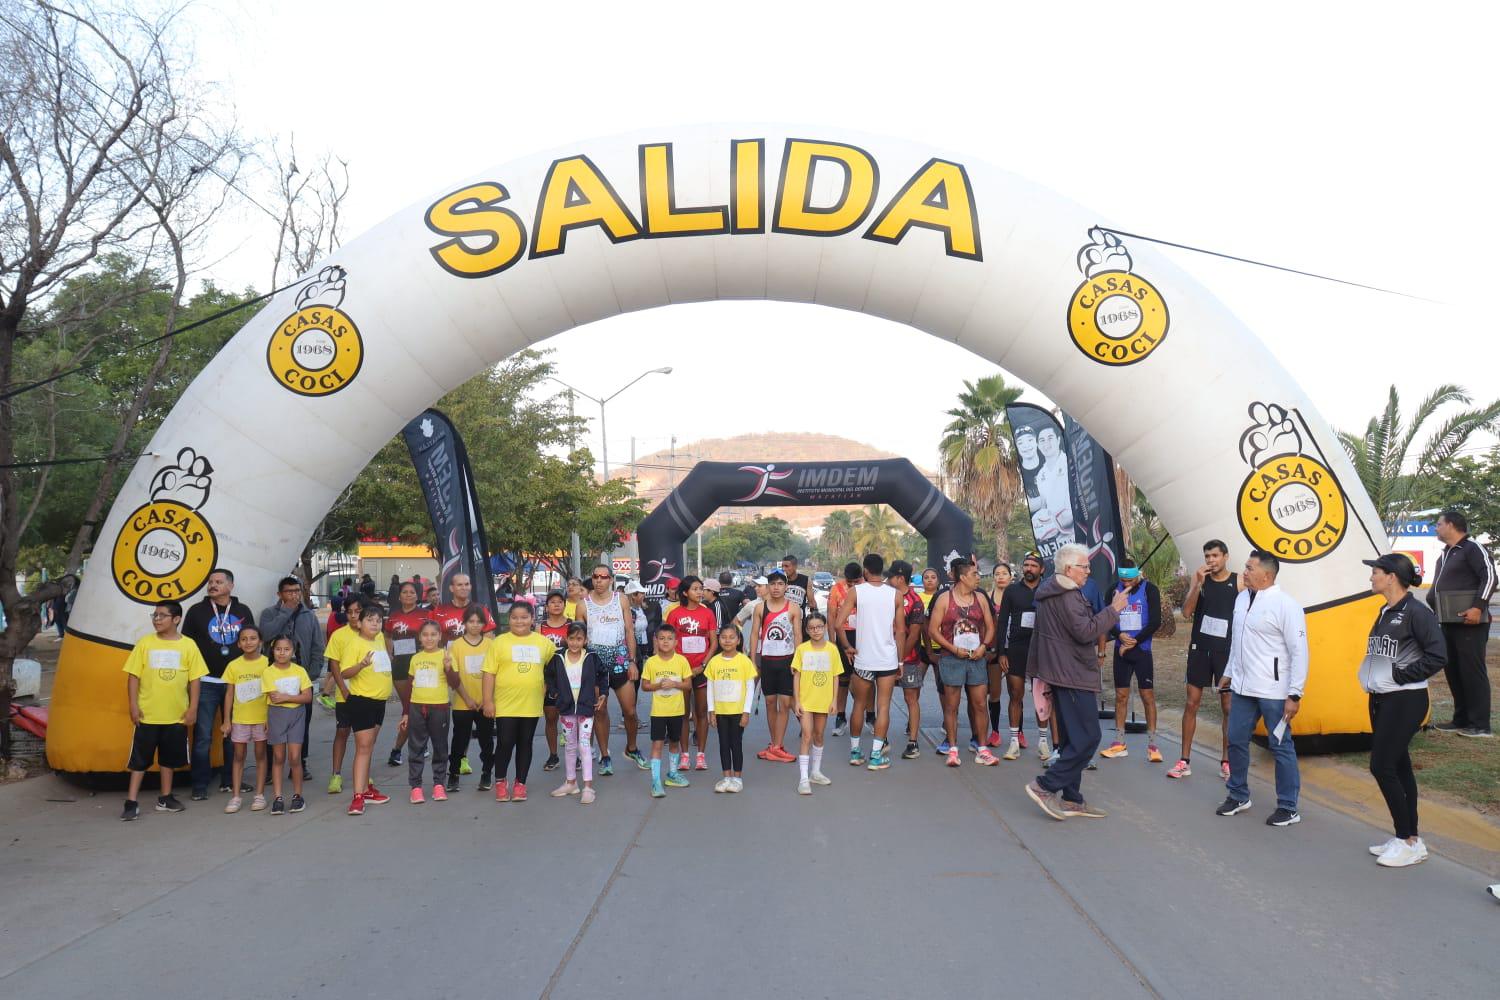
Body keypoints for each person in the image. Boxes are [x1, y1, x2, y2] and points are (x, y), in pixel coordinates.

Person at [1024, 543, 1129, 821]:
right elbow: (1085, 632)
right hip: (1072, 674)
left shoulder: (1052, 591)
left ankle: (1072, 798)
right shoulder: (1068, 595)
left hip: (1062, 672)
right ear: (1069, 569)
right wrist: (1114, 609)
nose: (1088, 571)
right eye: (1084, 566)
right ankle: (1045, 786)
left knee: (1073, 739)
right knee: (1089, 737)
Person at [1359, 553, 1448, 867]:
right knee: (1399, 767)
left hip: (1406, 699)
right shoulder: (1386, 610)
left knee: (1381, 766)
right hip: (1382, 698)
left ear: (1392, 577)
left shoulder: (1416, 612)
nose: (1371, 577)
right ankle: (1411, 838)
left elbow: (1438, 657)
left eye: (1376, 572)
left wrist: (1398, 675)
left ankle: (1406, 839)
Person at [1215, 550, 1308, 827]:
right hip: (1244, 687)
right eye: (1245, 567)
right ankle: (1238, 795)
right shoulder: (1242, 598)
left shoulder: (1286, 606)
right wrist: (1229, 672)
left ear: (1266, 575)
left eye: (1249, 568)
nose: (1243, 572)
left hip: (1274, 691)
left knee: (1281, 746)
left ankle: (1289, 806)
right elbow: (1238, 640)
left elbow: (1299, 652)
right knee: (1235, 739)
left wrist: (1295, 693)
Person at [121, 601, 207, 820]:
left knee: (169, 760)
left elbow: (195, 680)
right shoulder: (145, 643)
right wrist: (133, 705)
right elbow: (133, 676)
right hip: (148, 714)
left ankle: (165, 797)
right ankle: (131, 801)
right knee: (140, 760)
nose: (156, 619)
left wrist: (193, 708)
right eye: (155, 615)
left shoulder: (188, 645)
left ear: (176, 619)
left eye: (162, 615)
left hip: (176, 716)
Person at [181, 568, 255, 800]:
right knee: (203, 735)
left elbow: (252, 642)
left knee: (235, 734)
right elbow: (187, 645)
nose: (213, 585)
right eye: (211, 582)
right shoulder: (196, 611)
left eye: (219, 581)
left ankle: (229, 780)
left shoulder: (242, 610)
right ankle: (199, 785)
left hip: (237, 682)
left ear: (230, 586)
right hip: (206, 682)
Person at [1170, 541, 1241, 780]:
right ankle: (1184, 760)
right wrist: (1197, 585)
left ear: (1225, 556)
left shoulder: (1239, 582)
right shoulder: (1199, 580)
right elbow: (1187, 613)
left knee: (1228, 707)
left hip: (1225, 652)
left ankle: (1227, 761)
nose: (1211, 560)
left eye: (1215, 556)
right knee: (1191, 703)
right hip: (1200, 649)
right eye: (1207, 556)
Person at [1427, 509, 1495, 737]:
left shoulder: (1472, 548)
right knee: (1454, 671)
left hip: (1470, 622)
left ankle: (1480, 725)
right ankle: (1461, 719)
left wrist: (1478, 606)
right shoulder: (1445, 554)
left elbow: (1490, 577)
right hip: (1447, 622)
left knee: (1471, 671)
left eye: (1438, 524)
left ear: (1452, 525)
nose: (1435, 528)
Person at [836, 553, 905, 771]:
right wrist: (900, 662)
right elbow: (901, 630)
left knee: (858, 704)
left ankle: (856, 753)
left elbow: (839, 624)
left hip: (863, 659)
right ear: (882, 569)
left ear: (865, 570)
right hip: (887, 660)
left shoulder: (856, 591)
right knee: (882, 706)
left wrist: (848, 647)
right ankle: (876, 756)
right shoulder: (895, 595)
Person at [927, 558, 999, 767]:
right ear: (962, 577)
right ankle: (952, 749)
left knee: (979, 703)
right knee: (952, 705)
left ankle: (982, 748)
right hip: (952, 659)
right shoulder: (944, 599)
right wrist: (952, 649)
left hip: (976, 659)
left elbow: (991, 626)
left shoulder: (980, 598)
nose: (978, 578)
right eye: (974, 574)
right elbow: (933, 630)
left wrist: (984, 647)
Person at [482, 602, 556, 803]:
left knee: (525, 742)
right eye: (515, 617)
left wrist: (548, 685)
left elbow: (557, 665)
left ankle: (520, 784)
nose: (519, 621)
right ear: (509, 620)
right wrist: (487, 701)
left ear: (532, 619)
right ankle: (500, 781)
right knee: (505, 742)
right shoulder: (499, 642)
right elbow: (488, 673)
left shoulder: (543, 643)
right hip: (505, 703)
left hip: (531, 704)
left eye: (524, 617)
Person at [258, 576, 324, 781]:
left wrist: (312, 672)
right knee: (274, 722)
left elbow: (317, 646)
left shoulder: (309, 615)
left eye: (297, 591)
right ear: (280, 594)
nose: (294, 595)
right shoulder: (269, 613)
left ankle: (300, 763)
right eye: (289, 591)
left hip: (301, 677)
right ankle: (271, 767)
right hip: (275, 677)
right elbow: (266, 634)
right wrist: (285, 611)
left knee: (302, 723)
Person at [331, 606, 394, 816]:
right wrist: (361, 664)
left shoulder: (379, 639)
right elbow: (345, 671)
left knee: (369, 746)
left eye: (378, 620)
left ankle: (367, 790)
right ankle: (357, 796)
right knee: (363, 748)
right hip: (362, 701)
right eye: (370, 620)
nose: (375, 623)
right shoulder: (355, 643)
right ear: (359, 623)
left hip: (379, 701)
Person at [1099, 559, 1163, 763]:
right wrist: (1119, 636)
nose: (1126, 584)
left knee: (1147, 696)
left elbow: (1155, 621)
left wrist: (1135, 641)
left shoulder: (1149, 589)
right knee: (1121, 696)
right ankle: (1119, 742)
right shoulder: (1113, 590)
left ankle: (1153, 745)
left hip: (1141, 649)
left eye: (1130, 580)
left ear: (1138, 575)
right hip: (1121, 650)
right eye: (1123, 580)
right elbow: (1107, 618)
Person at [581, 564, 641, 775]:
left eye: (603, 577)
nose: (599, 580)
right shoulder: (583, 605)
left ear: (611, 580)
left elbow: (629, 631)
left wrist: (632, 661)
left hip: (620, 661)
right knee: (600, 711)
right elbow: (578, 637)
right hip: (596, 665)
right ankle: (605, 756)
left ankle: (632, 748)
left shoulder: (621, 599)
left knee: (630, 711)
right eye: (595, 576)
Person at [546, 621, 609, 803]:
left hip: (586, 708)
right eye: (571, 638)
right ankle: (571, 782)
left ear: (585, 640)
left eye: (579, 639)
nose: (574, 643)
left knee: (584, 745)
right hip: (566, 709)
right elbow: (548, 675)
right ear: (566, 639)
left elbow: (603, 674)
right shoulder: (558, 657)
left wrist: (603, 694)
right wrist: (554, 692)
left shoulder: (591, 657)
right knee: (570, 745)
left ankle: (588, 787)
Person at [998, 554, 1048, 761]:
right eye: (1026, 564)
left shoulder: (1048, 589)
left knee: (1041, 696)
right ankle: (1013, 742)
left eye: (1033, 566)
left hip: (1042, 649)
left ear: (1041, 570)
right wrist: (1001, 651)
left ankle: (1043, 743)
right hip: (1017, 648)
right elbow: (1002, 622)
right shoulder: (1011, 590)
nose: (1029, 568)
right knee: (1015, 694)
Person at [751, 570, 803, 763]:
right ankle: (774, 745)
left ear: (786, 586)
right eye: (772, 584)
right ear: (768, 586)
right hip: (767, 661)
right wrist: (752, 662)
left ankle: (778, 746)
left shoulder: (793, 608)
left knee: (785, 703)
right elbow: (754, 634)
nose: (776, 587)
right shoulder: (760, 608)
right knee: (769, 703)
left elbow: (798, 635)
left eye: (780, 584)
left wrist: (798, 662)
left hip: (787, 661)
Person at [667, 575, 718, 771]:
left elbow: (713, 642)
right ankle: (685, 755)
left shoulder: (707, 613)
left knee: (701, 711)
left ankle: (701, 755)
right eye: (696, 589)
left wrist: (704, 665)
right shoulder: (674, 614)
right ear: (685, 592)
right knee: (682, 713)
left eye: (701, 589)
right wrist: (678, 666)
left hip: (702, 669)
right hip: (680, 670)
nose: (699, 592)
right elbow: (667, 640)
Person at [220, 624, 271, 814]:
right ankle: (235, 796)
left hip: (261, 719)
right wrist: (227, 720)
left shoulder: (268, 664)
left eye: (252, 638)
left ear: (260, 642)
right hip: (240, 719)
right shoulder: (233, 665)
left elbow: (271, 692)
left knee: (260, 756)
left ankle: (259, 795)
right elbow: (229, 695)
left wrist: (269, 718)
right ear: (239, 644)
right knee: (238, 757)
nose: (248, 642)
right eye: (244, 639)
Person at [445, 607, 496, 792]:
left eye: (479, 622)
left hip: (485, 703)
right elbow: (454, 676)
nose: (475, 625)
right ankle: (453, 774)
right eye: (471, 621)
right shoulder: (456, 645)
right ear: (464, 623)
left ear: (484, 624)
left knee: (486, 740)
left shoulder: (490, 645)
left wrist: (487, 698)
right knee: (459, 740)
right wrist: (467, 698)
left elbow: (495, 673)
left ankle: (486, 773)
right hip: (462, 703)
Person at [792, 613, 843, 794]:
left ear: (824, 627)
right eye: (812, 628)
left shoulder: (832, 649)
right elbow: (796, 675)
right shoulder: (802, 649)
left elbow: (836, 675)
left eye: (819, 627)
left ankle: (816, 771)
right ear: (807, 630)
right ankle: (803, 778)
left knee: (819, 735)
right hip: (806, 700)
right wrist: (797, 701)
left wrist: (834, 700)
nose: (816, 631)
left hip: (824, 700)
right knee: (807, 735)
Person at [262, 635, 313, 815]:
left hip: (297, 716)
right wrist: (293, 698)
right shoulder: (268, 672)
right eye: (278, 649)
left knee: (294, 757)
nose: (282, 653)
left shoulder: (299, 671)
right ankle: (278, 797)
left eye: (286, 649)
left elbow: (307, 696)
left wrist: (287, 697)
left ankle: (297, 796)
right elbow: (274, 698)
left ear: (292, 651)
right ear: (273, 651)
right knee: (278, 757)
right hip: (276, 716)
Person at [642, 623, 694, 797]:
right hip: (658, 711)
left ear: (676, 642)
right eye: (662, 638)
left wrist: (675, 684)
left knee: (674, 742)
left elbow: (688, 685)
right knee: (657, 744)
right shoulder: (651, 662)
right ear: (656, 641)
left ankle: (672, 774)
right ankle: (655, 781)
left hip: (677, 710)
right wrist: (658, 685)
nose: (665, 642)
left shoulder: (681, 661)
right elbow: (645, 686)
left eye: (669, 639)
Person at [383, 581, 431, 768]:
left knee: (418, 709)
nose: (409, 595)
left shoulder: (426, 615)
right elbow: (387, 636)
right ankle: (406, 748)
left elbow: (434, 636)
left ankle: (399, 750)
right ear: (399, 596)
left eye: (412, 592)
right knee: (409, 708)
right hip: (400, 667)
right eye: (405, 592)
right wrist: (389, 653)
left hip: (423, 666)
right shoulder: (393, 617)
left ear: (417, 596)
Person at [404, 621, 451, 804]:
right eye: (425, 635)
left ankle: (439, 784)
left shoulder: (445, 655)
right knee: (416, 747)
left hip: (439, 707)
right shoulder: (415, 658)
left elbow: (454, 683)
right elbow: (409, 687)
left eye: (433, 634)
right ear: (420, 638)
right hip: (417, 707)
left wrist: (448, 668)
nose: (429, 638)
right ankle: (415, 787)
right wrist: (405, 712)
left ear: (439, 636)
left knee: (440, 747)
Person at [705, 623, 756, 792]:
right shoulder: (714, 662)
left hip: (737, 712)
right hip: (721, 712)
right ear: (719, 639)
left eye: (731, 637)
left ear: (738, 640)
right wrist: (711, 710)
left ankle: (737, 778)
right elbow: (710, 687)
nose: (727, 641)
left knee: (736, 743)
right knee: (723, 743)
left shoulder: (744, 661)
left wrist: (746, 712)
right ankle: (726, 776)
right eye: (724, 637)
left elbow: (750, 688)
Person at [322, 593, 364, 791]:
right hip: (345, 694)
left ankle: (364, 774)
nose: (354, 616)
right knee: (342, 732)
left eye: (358, 611)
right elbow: (334, 666)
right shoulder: (339, 635)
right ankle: (336, 775)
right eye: (350, 612)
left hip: (368, 695)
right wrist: (343, 689)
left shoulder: (374, 633)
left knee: (364, 737)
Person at [889, 561, 929, 760]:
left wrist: (900, 659)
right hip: (885, 659)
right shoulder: (886, 597)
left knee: (911, 699)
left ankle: (913, 743)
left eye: (891, 577)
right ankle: (882, 740)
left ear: (900, 578)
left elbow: (914, 635)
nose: (888, 580)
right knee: (884, 699)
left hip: (909, 659)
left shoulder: (915, 601)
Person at [537, 590, 572, 772]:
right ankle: (553, 755)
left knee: (571, 717)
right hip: (548, 677)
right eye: (552, 602)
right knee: (551, 717)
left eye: (560, 601)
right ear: (547, 606)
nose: (556, 604)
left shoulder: (572, 625)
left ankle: (576, 755)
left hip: (569, 676)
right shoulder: (540, 627)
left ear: (564, 605)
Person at [827, 562, 863, 736]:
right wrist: (832, 641)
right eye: (850, 582)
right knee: (843, 678)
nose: (852, 585)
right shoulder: (836, 589)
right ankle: (840, 716)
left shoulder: (866, 587)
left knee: (865, 679)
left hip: (863, 635)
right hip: (843, 635)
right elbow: (831, 614)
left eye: (855, 582)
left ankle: (869, 715)